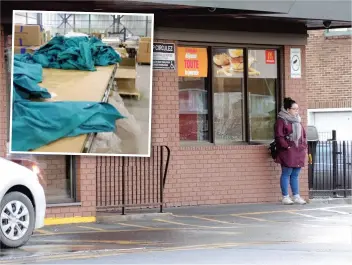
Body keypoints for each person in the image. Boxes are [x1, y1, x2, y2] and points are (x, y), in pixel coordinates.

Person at [274, 97, 307, 205]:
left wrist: (304, 146)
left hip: (298, 150)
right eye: (294, 109)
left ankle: (296, 196)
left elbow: (303, 135)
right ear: (288, 109)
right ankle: (285, 196)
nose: (296, 111)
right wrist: (286, 146)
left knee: (295, 174)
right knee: (286, 173)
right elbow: (279, 136)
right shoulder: (281, 120)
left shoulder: (298, 120)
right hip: (287, 150)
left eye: (297, 109)